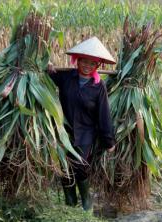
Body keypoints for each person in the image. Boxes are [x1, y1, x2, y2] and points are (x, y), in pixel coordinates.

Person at [48, 37, 116, 211]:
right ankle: (70, 205)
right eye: (84, 61)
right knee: (64, 167)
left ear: (97, 66)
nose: (87, 65)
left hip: (86, 134)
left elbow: (104, 115)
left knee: (80, 167)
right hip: (64, 131)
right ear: (77, 60)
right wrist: (47, 66)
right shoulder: (66, 77)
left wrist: (109, 141)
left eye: (92, 63)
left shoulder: (98, 87)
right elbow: (46, 75)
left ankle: (86, 204)